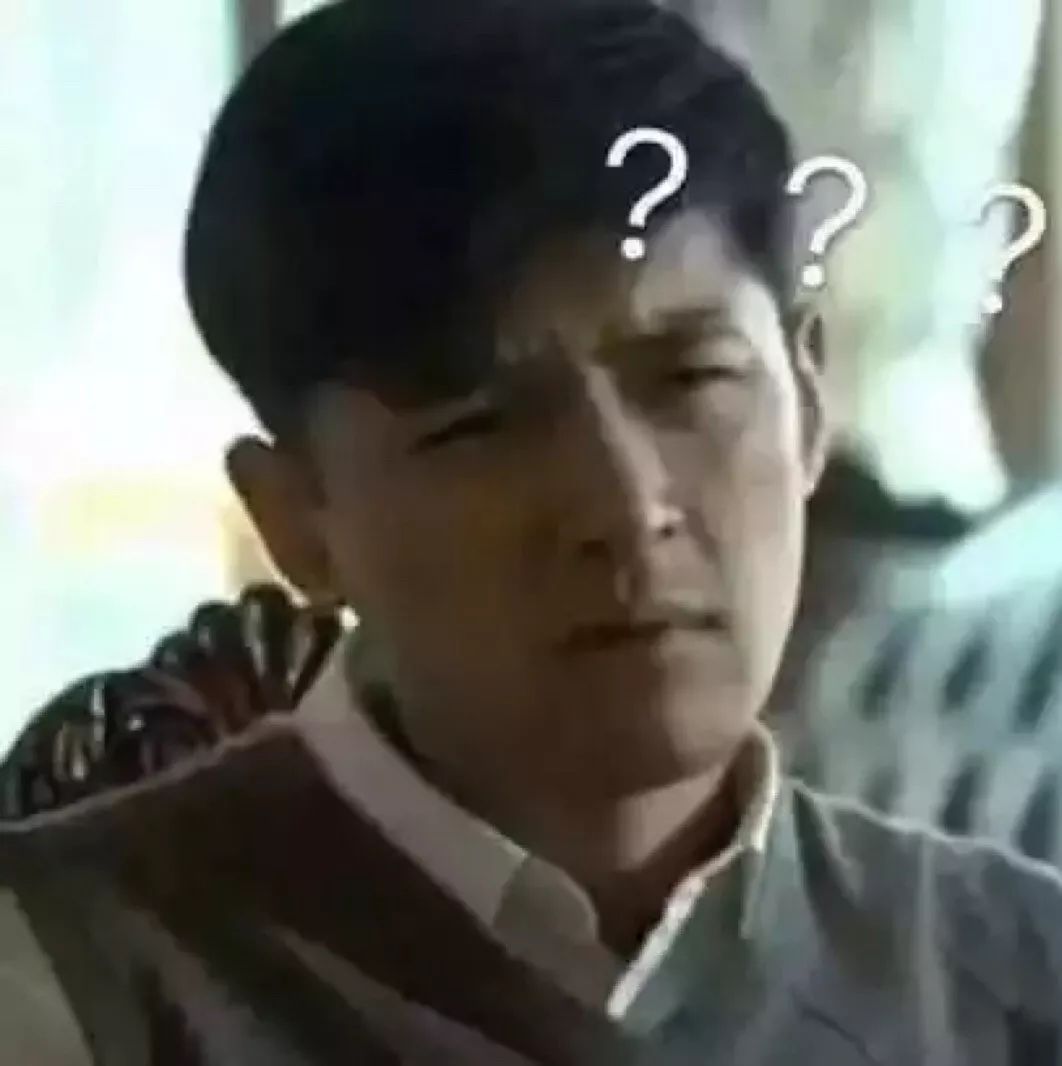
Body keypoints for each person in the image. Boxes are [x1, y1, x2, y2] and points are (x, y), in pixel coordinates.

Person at [4, 1, 1061, 1063]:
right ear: (296, 518)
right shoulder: (69, 980)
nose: (627, 505)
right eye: (481, 426)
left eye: (691, 378)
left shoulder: (1015, 968)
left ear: (809, 400)